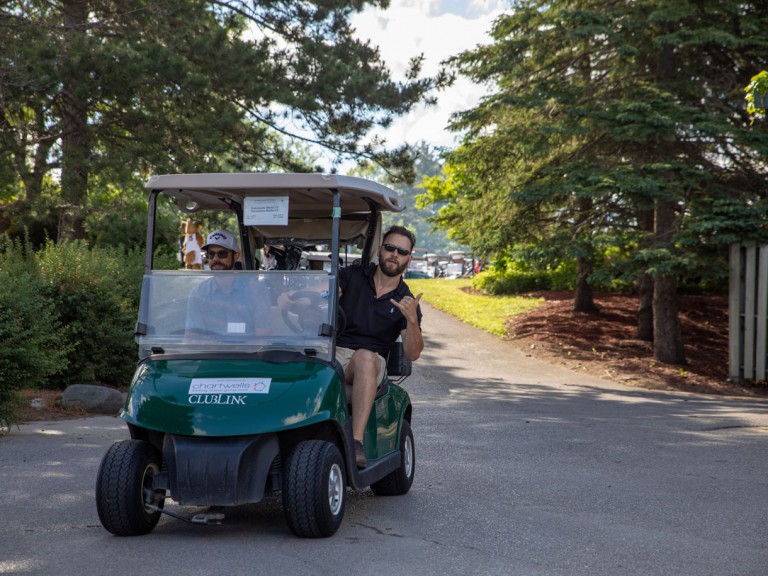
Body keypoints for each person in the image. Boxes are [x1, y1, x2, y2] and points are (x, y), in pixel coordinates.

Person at [336, 225, 424, 467]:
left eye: (402, 251)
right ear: (380, 249)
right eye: (390, 248)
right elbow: (327, 293)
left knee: (364, 357)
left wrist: (412, 320)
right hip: (334, 353)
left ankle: (355, 442)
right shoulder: (353, 275)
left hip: (371, 363)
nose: (395, 254)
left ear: (409, 258)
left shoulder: (406, 300)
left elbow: (413, 353)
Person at [184, 229, 269, 339]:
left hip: (247, 354)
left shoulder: (256, 290)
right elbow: (191, 337)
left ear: (236, 256)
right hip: (211, 353)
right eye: (211, 254)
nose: (215, 259)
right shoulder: (198, 293)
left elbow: (262, 337)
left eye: (222, 254)